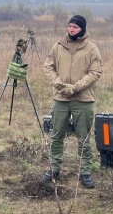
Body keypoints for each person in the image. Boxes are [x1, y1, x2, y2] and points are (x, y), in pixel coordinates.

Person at [42, 15, 103, 189]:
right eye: (69, 26)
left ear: (82, 29)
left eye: (75, 27)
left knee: (83, 138)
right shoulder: (58, 46)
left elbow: (95, 73)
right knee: (57, 135)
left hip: (82, 99)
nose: (71, 30)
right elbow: (48, 67)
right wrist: (59, 84)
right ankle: (54, 169)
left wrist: (75, 88)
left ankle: (84, 172)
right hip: (60, 98)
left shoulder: (92, 49)